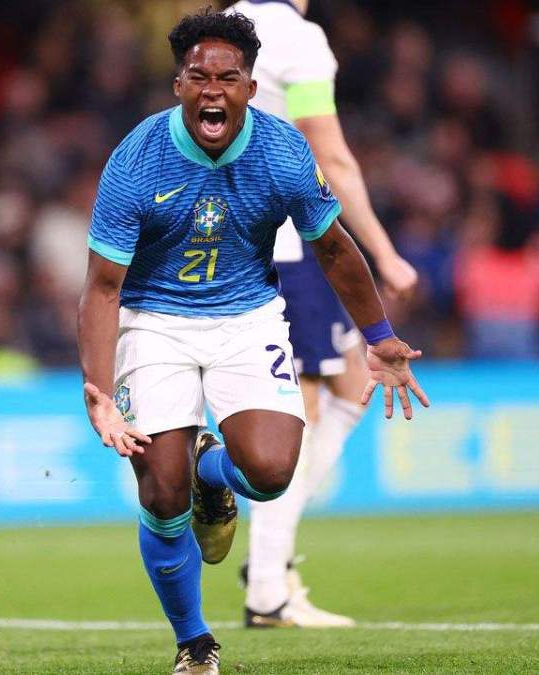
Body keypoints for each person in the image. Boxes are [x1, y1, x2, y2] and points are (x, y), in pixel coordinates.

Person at [77, 9, 428, 674]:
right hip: (154, 321)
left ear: (249, 85)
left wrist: (378, 337)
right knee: (160, 494)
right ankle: (194, 642)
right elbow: (101, 287)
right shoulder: (134, 160)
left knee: (269, 473)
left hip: (248, 316)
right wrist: (99, 392)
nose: (213, 89)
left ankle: (215, 471)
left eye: (229, 77)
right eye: (198, 76)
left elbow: (333, 246)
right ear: (178, 85)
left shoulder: (283, 151)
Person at [229, 0, 420, 628]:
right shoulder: (298, 37)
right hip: (288, 243)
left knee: (347, 386)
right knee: (305, 410)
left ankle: (268, 556)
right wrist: (384, 254)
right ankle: (267, 589)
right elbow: (332, 159)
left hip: (240, 238)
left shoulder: (221, 25)